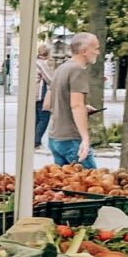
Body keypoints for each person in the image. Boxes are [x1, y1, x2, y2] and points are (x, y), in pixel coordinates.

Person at [44, 32, 100, 169]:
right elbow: (76, 105)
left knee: (66, 186)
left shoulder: (61, 68)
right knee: (92, 185)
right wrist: (85, 139)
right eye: (96, 48)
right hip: (71, 139)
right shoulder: (77, 70)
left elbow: (47, 104)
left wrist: (82, 107)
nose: (98, 53)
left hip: (55, 137)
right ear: (85, 51)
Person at [34, 44, 54, 150]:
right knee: (44, 118)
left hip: (33, 94)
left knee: (37, 118)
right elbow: (50, 78)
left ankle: (34, 140)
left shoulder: (34, 62)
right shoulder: (41, 64)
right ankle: (36, 141)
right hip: (41, 93)